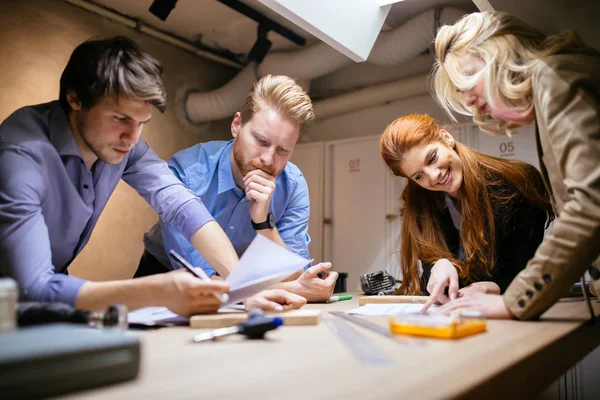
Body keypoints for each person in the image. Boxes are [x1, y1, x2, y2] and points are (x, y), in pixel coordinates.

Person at [0, 36, 305, 317]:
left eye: (141, 122)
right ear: (75, 99)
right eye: (120, 119)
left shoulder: (126, 145)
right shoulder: (20, 155)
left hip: (51, 290)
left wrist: (238, 289)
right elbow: (32, 286)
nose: (132, 138)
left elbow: (182, 206)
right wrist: (157, 290)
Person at [431, 11, 600, 319]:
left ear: (496, 55)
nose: (468, 100)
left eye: (467, 81)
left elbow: (591, 204)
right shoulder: (554, 80)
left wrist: (513, 301)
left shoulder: (554, 77)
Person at [138, 75, 338, 302]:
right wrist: (292, 289)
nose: (268, 159)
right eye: (261, 141)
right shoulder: (187, 172)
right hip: (165, 274)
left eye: (283, 150)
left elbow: (293, 276)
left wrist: (263, 223)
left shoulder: (293, 185)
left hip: (246, 285)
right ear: (236, 125)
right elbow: (200, 279)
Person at [380, 114, 553, 310]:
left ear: (446, 138)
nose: (434, 175)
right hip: (456, 315)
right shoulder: (422, 201)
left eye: (432, 158)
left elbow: (526, 265)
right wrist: (437, 265)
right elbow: (429, 262)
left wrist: (492, 287)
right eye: (419, 175)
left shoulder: (517, 183)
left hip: (513, 309)